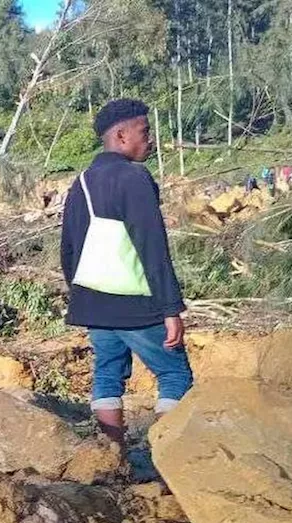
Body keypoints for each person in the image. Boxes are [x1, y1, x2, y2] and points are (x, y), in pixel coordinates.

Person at [59, 98, 193, 446]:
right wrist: (171, 308)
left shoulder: (82, 182)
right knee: (174, 373)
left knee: (107, 374)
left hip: (93, 301)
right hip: (138, 303)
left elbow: (69, 247)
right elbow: (152, 246)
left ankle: (112, 457)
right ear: (121, 136)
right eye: (144, 132)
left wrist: (82, 295)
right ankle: (166, 458)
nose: (150, 140)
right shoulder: (135, 177)